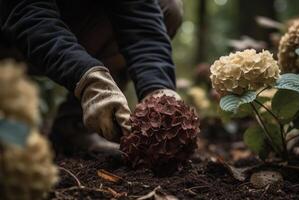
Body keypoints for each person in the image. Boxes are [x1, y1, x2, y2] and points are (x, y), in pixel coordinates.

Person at [0, 0, 183, 156]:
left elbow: (142, 23)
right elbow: (28, 14)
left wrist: (159, 89)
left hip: (75, 23)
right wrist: (86, 77)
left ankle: (75, 125)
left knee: (166, 8)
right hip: (12, 32)